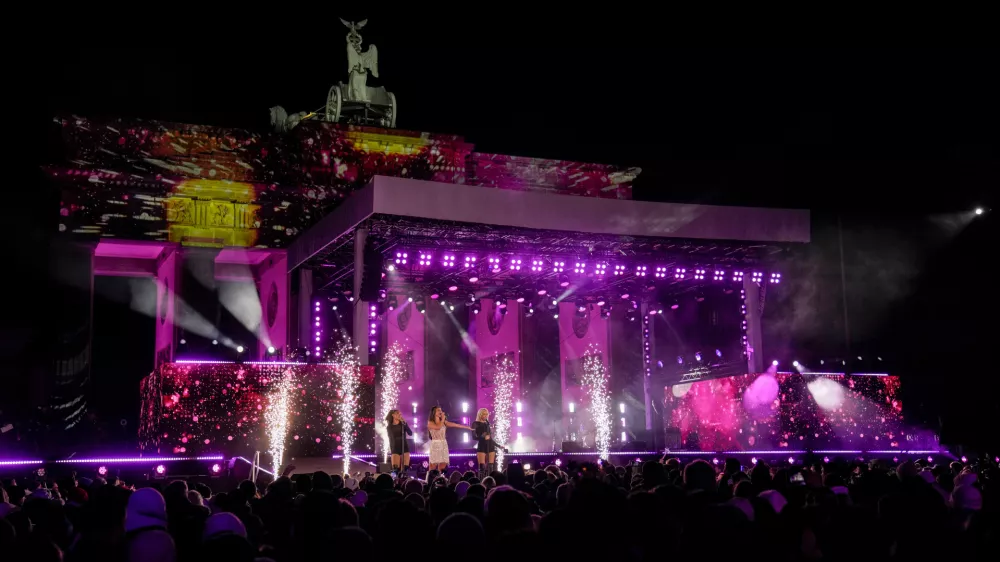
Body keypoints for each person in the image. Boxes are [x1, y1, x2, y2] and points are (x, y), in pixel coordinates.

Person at [425, 406, 472, 471]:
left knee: (442, 465)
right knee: (433, 465)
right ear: (434, 412)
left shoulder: (444, 422)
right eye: (438, 410)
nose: (440, 412)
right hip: (435, 444)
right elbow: (438, 427)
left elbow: (456, 425)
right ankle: (430, 477)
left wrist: (467, 427)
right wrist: (443, 419)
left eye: (441, 410)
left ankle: (440, 476)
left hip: (443, 444)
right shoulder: (430, 422)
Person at [472, 408, 508, 479]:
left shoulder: (487, 424)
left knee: (491, 467)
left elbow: (490, 439)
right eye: (484, 414)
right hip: (482, 446)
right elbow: (474, 437)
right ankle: (482, 481)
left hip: (490, 446)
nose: (486, 416)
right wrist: (482, 437)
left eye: (487, 414)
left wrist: (499, 446)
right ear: (480, 415)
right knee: (482, 467)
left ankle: (491, 481)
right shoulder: (475, 423)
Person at [385, 409, 413, 475]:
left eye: (400, 414)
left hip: (404, 446)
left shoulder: (403, 424)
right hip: (395, 447)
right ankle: (394, 480)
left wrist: (405, 423)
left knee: (405, 469)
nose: (400, 415)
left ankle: (403, 479)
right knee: (395, 470)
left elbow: (410, 433)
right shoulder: (389, 427)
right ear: (393, 415)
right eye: (397, 413)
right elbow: (391, 439)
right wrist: (392, 450)